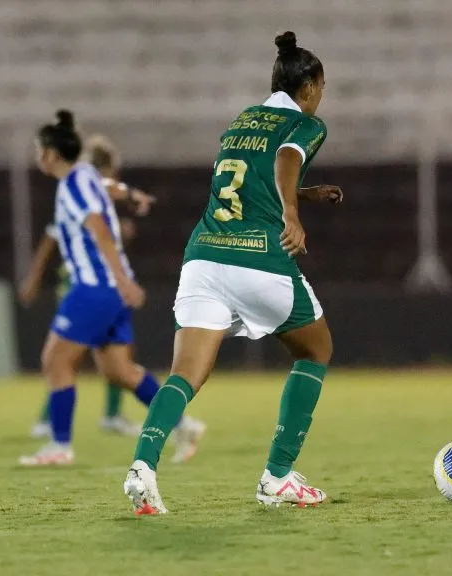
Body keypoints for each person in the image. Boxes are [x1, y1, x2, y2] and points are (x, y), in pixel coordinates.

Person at [121, 32, 344, 514]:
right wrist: (292, 213)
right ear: (309, 87)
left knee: (185, 375)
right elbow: (286, 160)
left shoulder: (243, 119)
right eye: (322, 86)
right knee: (316, 349)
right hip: (257, 259)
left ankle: (142, 467)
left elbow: (249, 181)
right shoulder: (308, 124)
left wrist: (304, 195)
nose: (322, 96)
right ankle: (277, 478)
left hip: (203, 258)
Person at [19, 111, 204, 466]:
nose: (37, 155)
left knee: (55, 361)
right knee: (119, 371)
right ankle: (182, 424)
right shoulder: (85, 175)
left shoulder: (72, 186)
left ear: (50, 154)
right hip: (109, 290)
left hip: (94, 288)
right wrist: (131, 194)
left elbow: (100, 229)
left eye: (39, 149)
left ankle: (59, 446)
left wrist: (122, 281)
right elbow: (107, 188)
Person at [20, 134, 156, 438]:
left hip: (97, 287)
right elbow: (61, 237)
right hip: (88, 286)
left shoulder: (82, 186)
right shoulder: (82, 187)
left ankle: (64, 433)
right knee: (78, 358)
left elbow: (98, 227)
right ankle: (58, 424)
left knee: (73, 358)